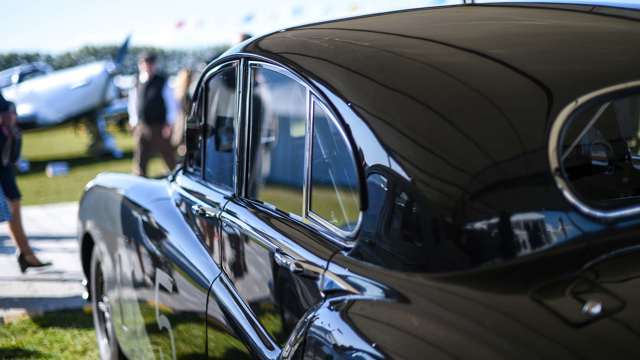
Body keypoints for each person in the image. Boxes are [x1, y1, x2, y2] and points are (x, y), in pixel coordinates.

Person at [0, 93, 51, 272]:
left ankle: (25, 252)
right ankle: (26, 253)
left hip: (4, 153)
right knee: (10, 202)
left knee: (13, 200)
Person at [128, 52, 177, 177]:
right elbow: (133, 102)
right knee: (140, 157)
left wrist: (169, 124)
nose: (148, 66)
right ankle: (140, 179)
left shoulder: (162, 81)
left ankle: (176, 176)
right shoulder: (137, 81)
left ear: (154, 65)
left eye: (150, 63)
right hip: (142, 125)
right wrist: (133, 121)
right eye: (145, 63)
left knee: (168, 155)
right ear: (141, 65)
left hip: (160, 126)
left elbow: (171, 104)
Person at [171, 68, 193, 158]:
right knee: (182, 149)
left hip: (179, 123)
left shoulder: (178, 93)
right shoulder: (185, 95)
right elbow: (187, 112)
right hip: (183, 124)